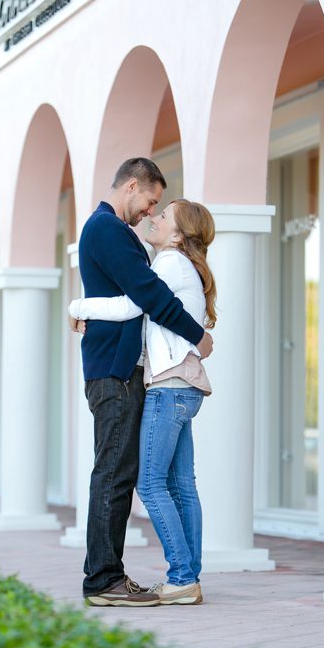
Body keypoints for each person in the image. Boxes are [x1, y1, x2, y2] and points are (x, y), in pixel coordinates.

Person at [75, 158, 213, 607]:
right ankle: (103, 580)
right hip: (114, 371)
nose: (148, 212)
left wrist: (82, 309)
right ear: (132, 185)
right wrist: (198, 335)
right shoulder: (109, 230)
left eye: (158, 208)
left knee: (128, 474)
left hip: (129, 370)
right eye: (150, 201)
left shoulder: (119, 235)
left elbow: (135, 297)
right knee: (117, 473)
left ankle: (145, 576)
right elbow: (144, 296)